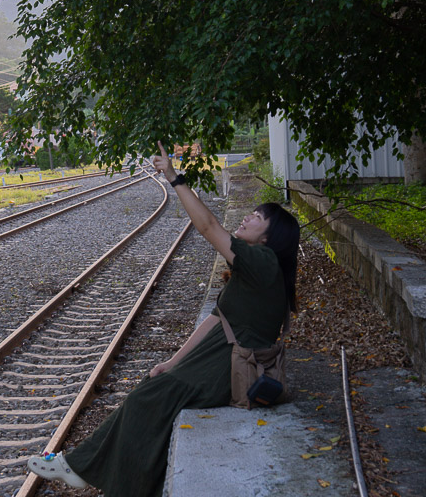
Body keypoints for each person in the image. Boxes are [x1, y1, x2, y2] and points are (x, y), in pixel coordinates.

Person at [26, 143, 300, 497]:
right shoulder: (256, 266)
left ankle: (87, 469)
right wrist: (172, 362)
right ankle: (86, 468)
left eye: (257, 218)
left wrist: (174, 177)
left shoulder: (262, 262)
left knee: (149, 400)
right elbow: (219, 320)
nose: (247, 217)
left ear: (268, 237)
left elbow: (208, 226)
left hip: (231, 367)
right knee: (150, 389)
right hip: (221, 356)